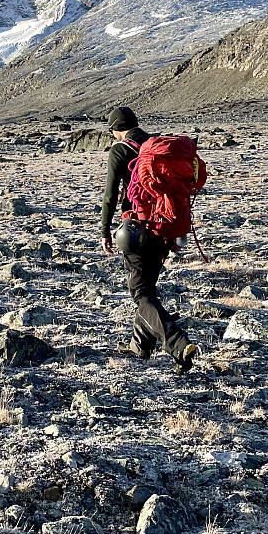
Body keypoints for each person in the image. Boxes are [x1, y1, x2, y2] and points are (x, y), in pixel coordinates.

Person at [99, 106, 198, 371]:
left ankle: (178, 344)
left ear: (116, 130)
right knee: (147, 288)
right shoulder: (156, 147)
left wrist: (104, 231)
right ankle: (140, 347)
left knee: (141, 293)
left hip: (136, 230)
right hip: (164, 228)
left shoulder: (120, 150)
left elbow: (110, 196)